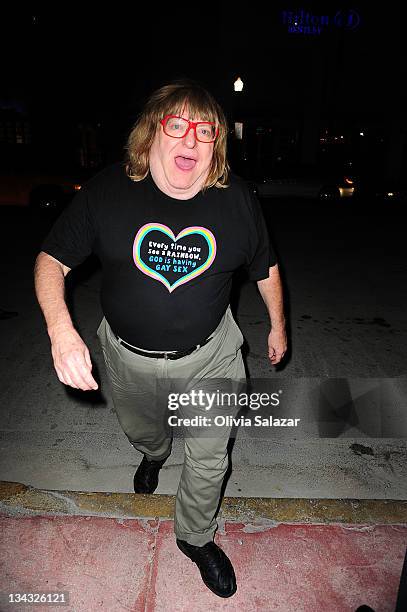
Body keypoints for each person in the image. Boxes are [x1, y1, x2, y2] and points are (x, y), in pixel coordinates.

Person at [34, 80, 287, 598]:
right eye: (176, 126)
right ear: (150, 135)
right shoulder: (107, 192)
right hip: (128, 359)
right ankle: (152, 453)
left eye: (204, 131)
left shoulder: (238, 200)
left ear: (216, 145)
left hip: (211, 354)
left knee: (210, 453)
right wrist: (62, 331)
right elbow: (50, 261)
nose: (190, 141)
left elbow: (266, 267)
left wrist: (279, 325)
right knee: (148, 433)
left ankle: (195, 537)